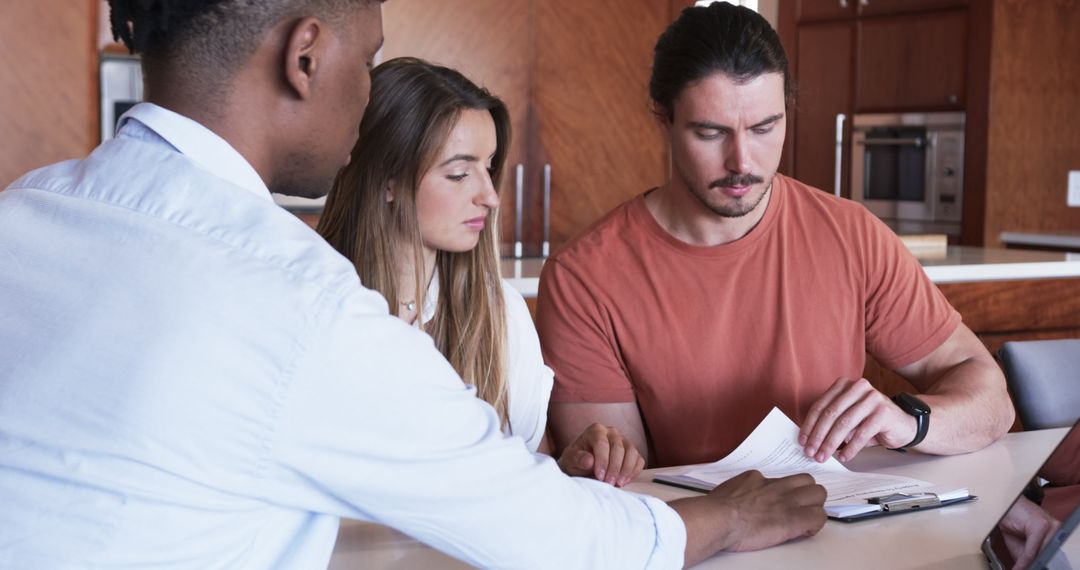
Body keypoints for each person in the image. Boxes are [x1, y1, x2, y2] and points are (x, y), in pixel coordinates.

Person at [0, 1, 827, 568]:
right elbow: (562, 543)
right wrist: (730, 515)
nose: (369, 95)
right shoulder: (301, 305)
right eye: (368, 60)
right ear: (305, 56)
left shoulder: (21, 214)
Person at [536, 2, 1015, 469]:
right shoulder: (585, 277)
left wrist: (909, 423)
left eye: (764, 127)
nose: (742, 161)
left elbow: (992, 400)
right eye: (710, 133)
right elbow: (624, 492)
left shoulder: (851, 235)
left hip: (844, 515)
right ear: (663, 118)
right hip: (697, 524)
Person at [317, 57, 643, 486]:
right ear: (388, 180)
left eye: (488, 168)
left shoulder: (502, 313)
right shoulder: (310, 306)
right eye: (458, 174)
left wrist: (569, 470)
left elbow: (523, 477)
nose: (490, 196)